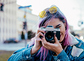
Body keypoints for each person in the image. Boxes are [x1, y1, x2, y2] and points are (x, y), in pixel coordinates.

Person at [8, 5, 84, 61]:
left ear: (65, 24)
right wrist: (33, 49)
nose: (54, 33)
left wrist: (60, 53)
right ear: (41, 30)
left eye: (58, 27)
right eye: (49, 30)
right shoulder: (37, 45)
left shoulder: (78, 47)